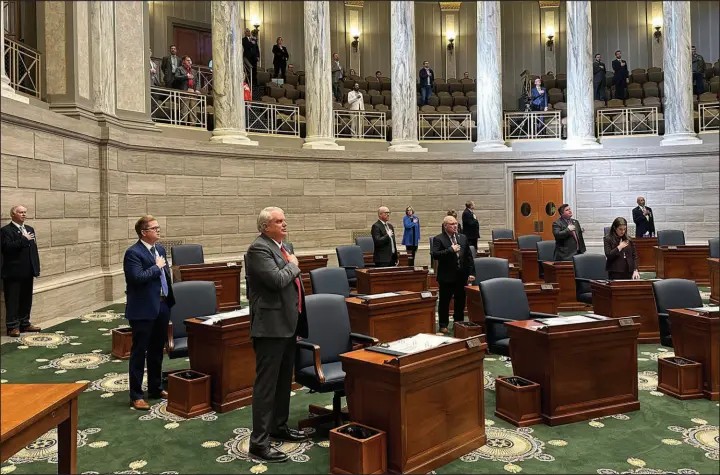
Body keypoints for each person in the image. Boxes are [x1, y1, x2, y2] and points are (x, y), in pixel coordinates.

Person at [245, 207, 309, 463]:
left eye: (284, 220)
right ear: (264, 227)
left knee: (284, 382)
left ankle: (278, 427)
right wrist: (293, 265)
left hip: (288, 324)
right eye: (278, 221)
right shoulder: (258, 249)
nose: (284, 224)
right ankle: (258, 443)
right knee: (266, 386)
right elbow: (276, 280)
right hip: (270, 327)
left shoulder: (285, 245)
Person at [123, 215, 175, 410]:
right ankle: (136, 395)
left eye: (158, 227)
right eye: (154, 228)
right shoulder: (133, 253)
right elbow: (136, 278)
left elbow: (165, 275)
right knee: (139, 352)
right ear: (144, 232)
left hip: (162, 305)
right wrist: (156, 267)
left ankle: (155, 387)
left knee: (156, 350)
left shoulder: (160, 249)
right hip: (143, 309)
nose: (158, 230)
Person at [1, 205, 41, 337]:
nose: (24, 214)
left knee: (26, 299)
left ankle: (25, 323)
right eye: (20, 212)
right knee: (13, 300)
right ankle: (12, 327)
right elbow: (7, 248)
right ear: (13, 214)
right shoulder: (5, 231)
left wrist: (36, 268)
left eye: (25, 212)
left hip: (28, 271)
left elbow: (33, 251)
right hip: (13, 273)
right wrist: (23, 240)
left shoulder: (29, 229)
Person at [432, 215, 475, 334]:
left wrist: (471, 272)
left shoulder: (463, 238)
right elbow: (435, 254)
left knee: (460, 301)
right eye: (452, 224)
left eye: (456, 223)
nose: (455, 226)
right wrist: (450, 250)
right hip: (446, 276)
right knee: (444, 302)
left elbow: (468, 257)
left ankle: (459, 323)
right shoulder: (439, 239)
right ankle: (443, 325)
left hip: (461, 276)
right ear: (445, 226)